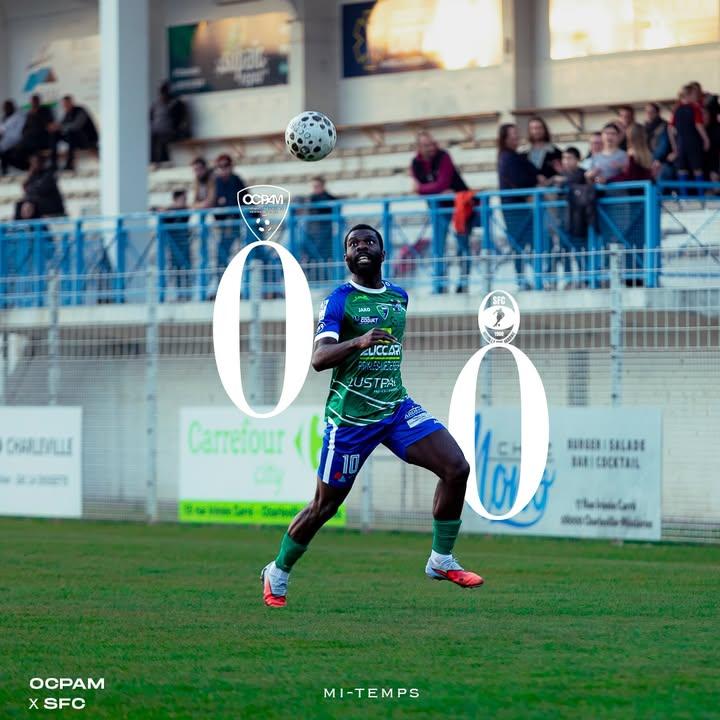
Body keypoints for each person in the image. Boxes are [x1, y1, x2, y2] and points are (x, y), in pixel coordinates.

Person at [260, 223, 484, 607]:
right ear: (346, 257)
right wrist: (359, 341)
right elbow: (319, 359)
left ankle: (441, 559)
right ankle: (278, 570)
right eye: (353, 243)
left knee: (457, 468)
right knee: (324, 506)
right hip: (350, 419)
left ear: (383, 253)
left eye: (369, 241)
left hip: (395, 408)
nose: (361, 246)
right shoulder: (339, 301)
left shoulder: (399, 297)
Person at [409, 131, 469, 293]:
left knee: (462, 246)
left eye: (432, 144)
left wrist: (422, 189)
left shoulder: (444, 156)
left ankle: (463, 283)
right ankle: (440, 284)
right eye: (426, 145)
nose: (431, 148)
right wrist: (435, 191)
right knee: (439, 247)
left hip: (460, 207)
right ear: (419, 147)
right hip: (438, 209)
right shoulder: (415, 163)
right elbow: (438, 187)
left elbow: (442, 183)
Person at [497, 123, 544, 290]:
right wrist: (536, 180)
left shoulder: (515, 156)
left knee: (525, 242)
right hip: (514, 208)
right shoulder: (508, 157)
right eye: (512, 135)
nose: (516, 138)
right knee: (522, 243)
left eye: (517, 134)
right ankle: (527, 279)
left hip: (518, 206)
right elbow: (520, 180)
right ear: (505, 139)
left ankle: (530, 278)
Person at [668, 84, 710, 191]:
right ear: (689, 95)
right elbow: (698, 125)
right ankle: (701, 195)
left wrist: (674, 146)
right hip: (693, 142)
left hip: (681, 143)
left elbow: (670, 129)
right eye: (694, 95)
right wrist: (706, 139)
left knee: (682, 169)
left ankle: (684, 196)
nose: (696, 97)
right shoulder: (695, 108)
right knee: (697, 169)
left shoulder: (676, 110)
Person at [213, 153, 245, 279]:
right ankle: (222, 282)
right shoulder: (217, 182)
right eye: (220, 166)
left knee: (246, 253)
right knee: (222, 255)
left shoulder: (236, 180)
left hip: (238, 223)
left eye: (226, 165)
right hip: (224, 225)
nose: (223, 169)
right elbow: (216, 203)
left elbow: (244, 199)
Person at [303, 176, 337, 283]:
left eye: (316, 186)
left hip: (325, 235)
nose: (314, 188)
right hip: (312, 235)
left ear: (322, 186)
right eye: (313, 186)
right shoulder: (310, 199)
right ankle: (312, 281)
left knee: (324, 260)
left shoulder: (329, 199)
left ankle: (326, 282)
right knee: (310, 260)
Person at [160, 189, 192, 300]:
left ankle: (187, 293)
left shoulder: (184, 210)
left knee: (187, 268)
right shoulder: (170, 212)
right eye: (183, 199)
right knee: (176, 269)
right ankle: (179, 294)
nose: (184, 201)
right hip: (174, 245)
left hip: (184, 243)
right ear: (176, 199)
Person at [52, 95, 98, 171]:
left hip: (88, 140)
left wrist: (60, 127)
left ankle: (70, 164)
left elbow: (76, 125)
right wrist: (55, 127)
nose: (65, 106)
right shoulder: (67, 113)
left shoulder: (80, 110)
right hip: (76, 140)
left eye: (67, 103)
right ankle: (53, 163)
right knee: (55, 134)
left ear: (71, 103)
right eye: (64, 104)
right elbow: (62, 125)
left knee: (71, 133)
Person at [150, 81, 190, 164]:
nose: (163, 95)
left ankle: (165, 161)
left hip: (172, 131)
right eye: (162, 93)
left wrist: (178, 129)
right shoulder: (156, 104)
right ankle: (153, 162)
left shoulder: (177, 103)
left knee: (162, 139)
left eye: (165, 93)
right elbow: (151, 117)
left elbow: (182, 119)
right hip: (158, 131)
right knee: (152, 139)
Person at [19, 94, 56, 167]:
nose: (34, 104)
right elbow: (25, 127)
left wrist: (36, 114)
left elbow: (49, 124)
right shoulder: (29, 113)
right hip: (29, 137)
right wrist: (24, 133)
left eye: (35, 102)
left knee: (32, 145)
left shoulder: (45, 111)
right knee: (20, 147)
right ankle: (29, 165)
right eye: (32, 102)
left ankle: (38, 165)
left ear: (39, 102)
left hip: (42, 137)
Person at [0, 100, 27, 175]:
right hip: (6, 139)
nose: (5, 109)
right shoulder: (4, 117)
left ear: (12, 107)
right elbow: (2, 129)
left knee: (3, 149)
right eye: (4, 108)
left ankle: (6, 168)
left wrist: (3, 134)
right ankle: (4, 169)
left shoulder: (19, 116)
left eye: (7, 107)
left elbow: (19, 131)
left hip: (15, 138)